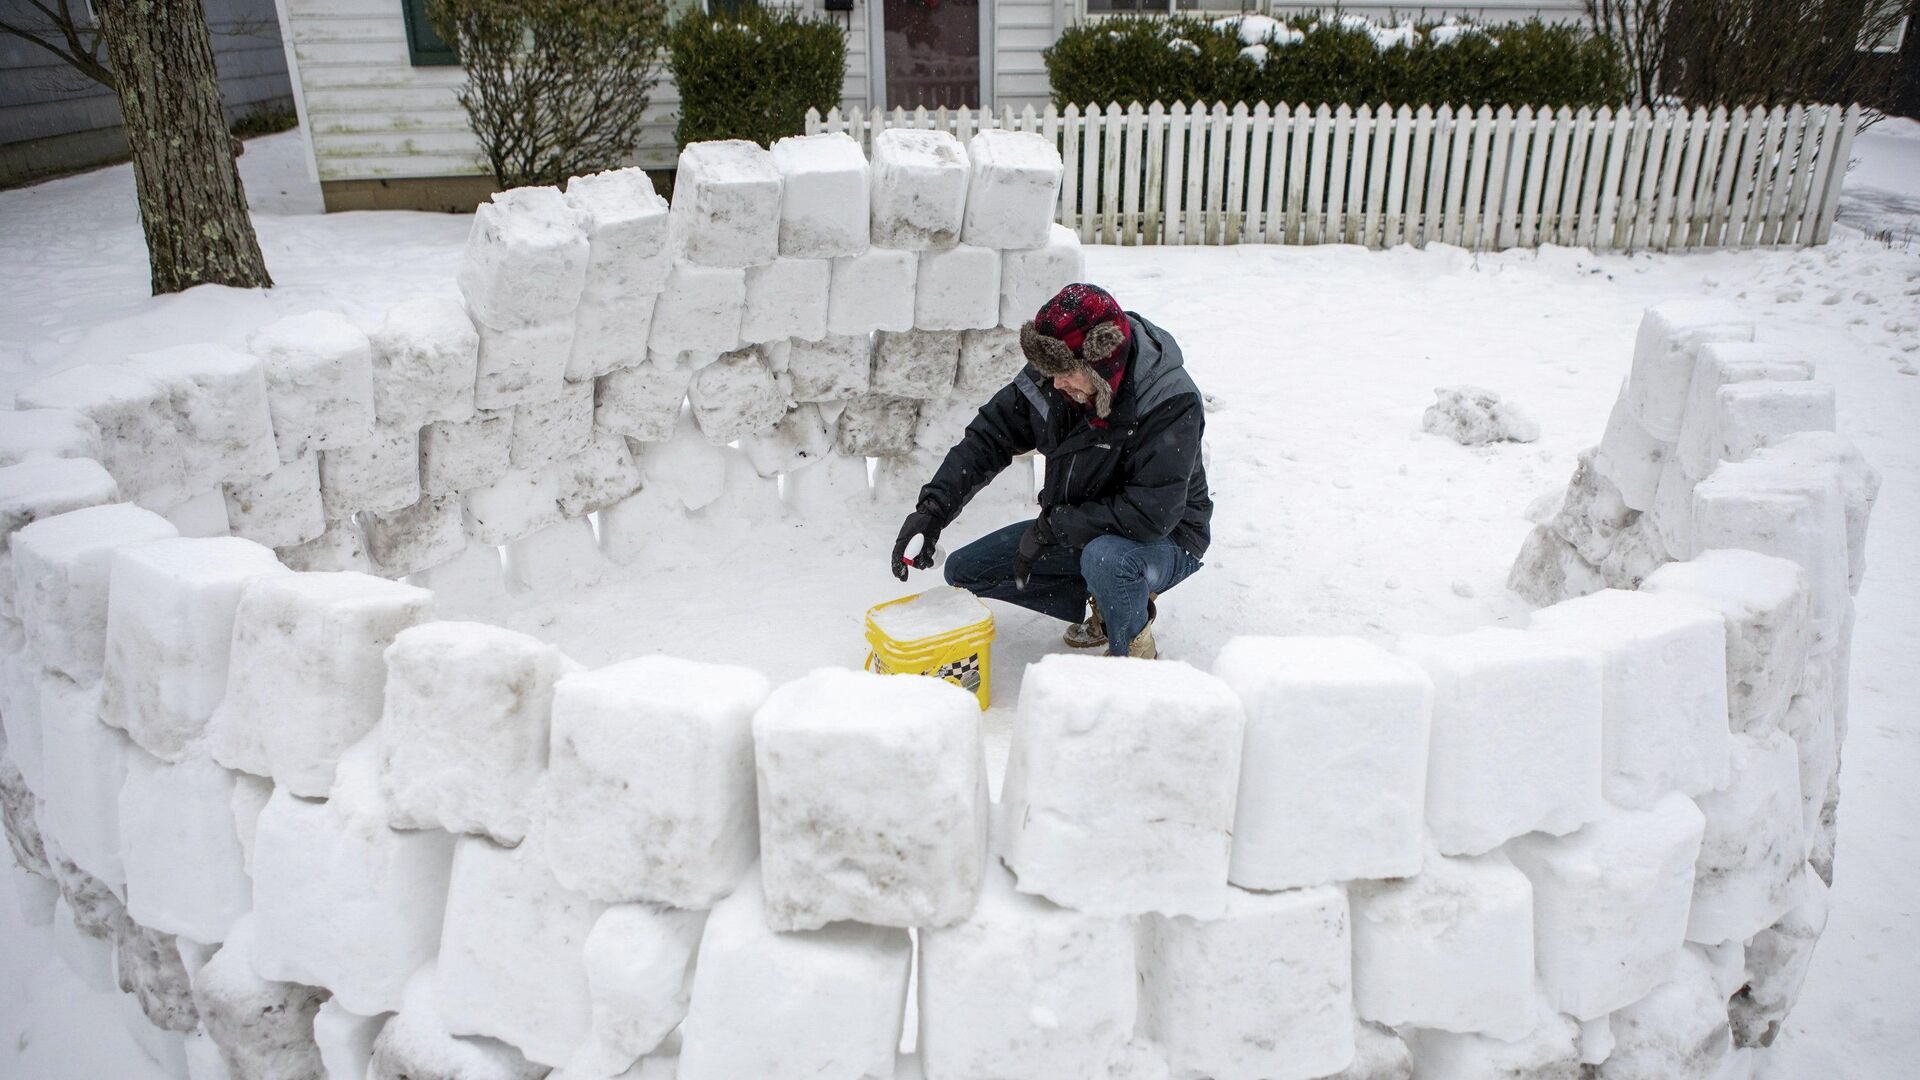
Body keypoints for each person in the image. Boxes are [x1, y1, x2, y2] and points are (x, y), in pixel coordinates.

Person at [890, 283, 1212, 659]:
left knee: (1108, 560)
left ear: (1102, 362)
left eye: (1067, 374)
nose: (1056, 383)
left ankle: (1133, 650)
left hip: (1168, 538)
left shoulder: (1167, 399)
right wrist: (933, 510)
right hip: (1082, 523)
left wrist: (1052, 528)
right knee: (966, 571)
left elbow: (1151, 512)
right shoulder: (1055, 377)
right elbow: (988, 438)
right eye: (1051, 372)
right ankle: (1103, 596)